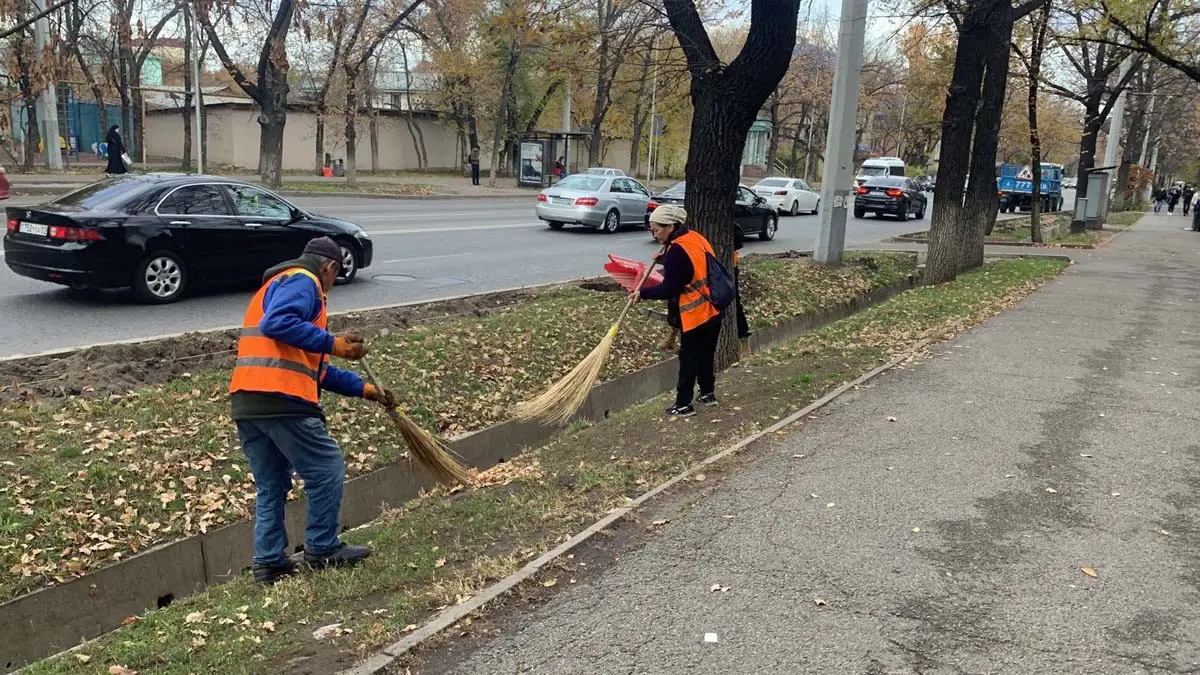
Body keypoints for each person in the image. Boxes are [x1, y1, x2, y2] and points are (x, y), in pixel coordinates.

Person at [229, 236, 397, 584]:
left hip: (249, 402)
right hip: (282, 399)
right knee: (325, 468)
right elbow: (277, 323)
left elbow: (317, 371)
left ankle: (269, 563)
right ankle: (322, 548)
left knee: (272, 484)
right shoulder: (305, 281)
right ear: (330, 267)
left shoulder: (277, 286)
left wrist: (367, 391)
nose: (331, 286)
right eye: (336, 277)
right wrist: (334, 343)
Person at [635, 204, 723, 417]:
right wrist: (664, 259)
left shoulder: (676, 251)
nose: (654, 235)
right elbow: (692, 266)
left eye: (657, 230)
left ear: (671, 226)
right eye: (652, 230)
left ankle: (683, 405)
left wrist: (642, 293)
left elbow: (670, 289)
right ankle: (708, 394)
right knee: (706, 355)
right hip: (714, 308)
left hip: (695, 314)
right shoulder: (695, 238)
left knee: (688, 358)